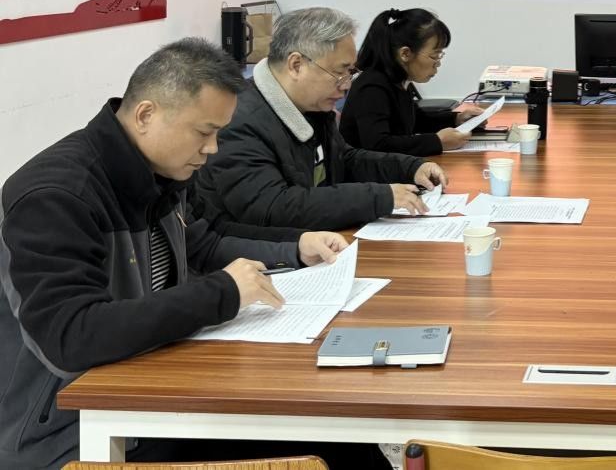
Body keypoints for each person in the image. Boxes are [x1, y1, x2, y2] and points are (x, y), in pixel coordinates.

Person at [0, 38, 375, 470]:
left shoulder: (161, 170)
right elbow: (71, 338)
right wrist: (222, 294)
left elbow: (205, 242)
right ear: (146, 115)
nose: (212, 148)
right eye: (203, 132)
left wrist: (294, 248)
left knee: (339, 436)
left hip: (154, 390)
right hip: (72, 432)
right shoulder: (56, 196)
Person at [194, 7, 446, 231]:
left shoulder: (313, 106)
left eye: (350, 73)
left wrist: (411, 167)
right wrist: (379, 197)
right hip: (261, 258)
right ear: (296, 65)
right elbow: (273, 208)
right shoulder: (238, 121)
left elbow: (345, 159)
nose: (346, 85)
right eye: (340, 72)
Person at [340, 8, 484, 156]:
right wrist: (437, 142)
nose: (438, 63)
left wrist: (457, 119)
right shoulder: (372, 87)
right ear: (405, 54)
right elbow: (378, 144)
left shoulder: (398, 80)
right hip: (366, 170)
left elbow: (415, 120)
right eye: (435, 56)